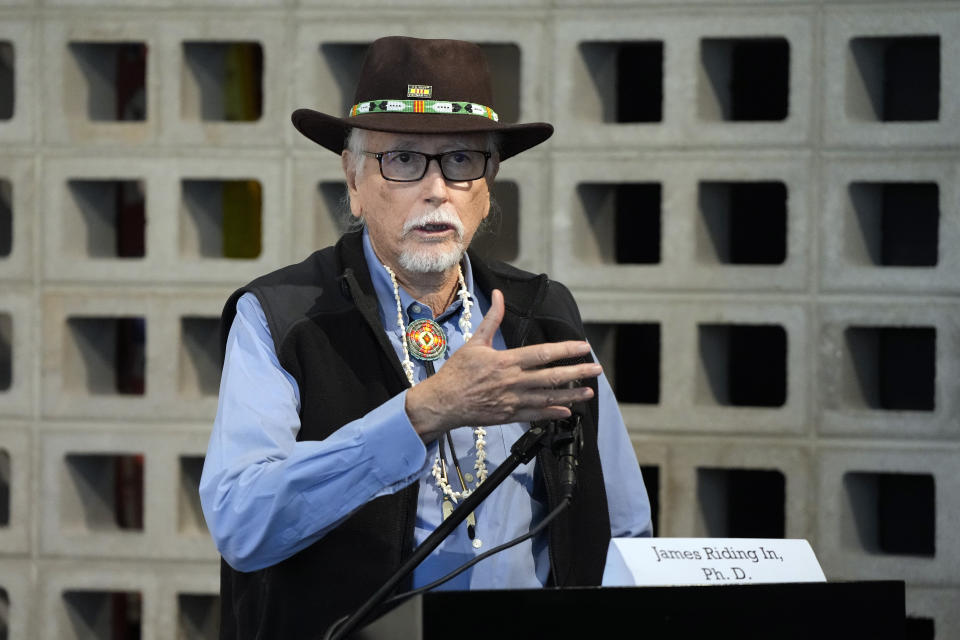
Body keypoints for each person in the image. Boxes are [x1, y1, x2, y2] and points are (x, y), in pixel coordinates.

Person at [199, 36, 652, 639]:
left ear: (487, 187)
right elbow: (241, 521)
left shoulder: (542, 315)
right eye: (405, 159)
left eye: (462, 161)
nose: (437, 188)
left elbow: (623, 529)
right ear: (354, 179)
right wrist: (422, 413)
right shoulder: (283, 316)